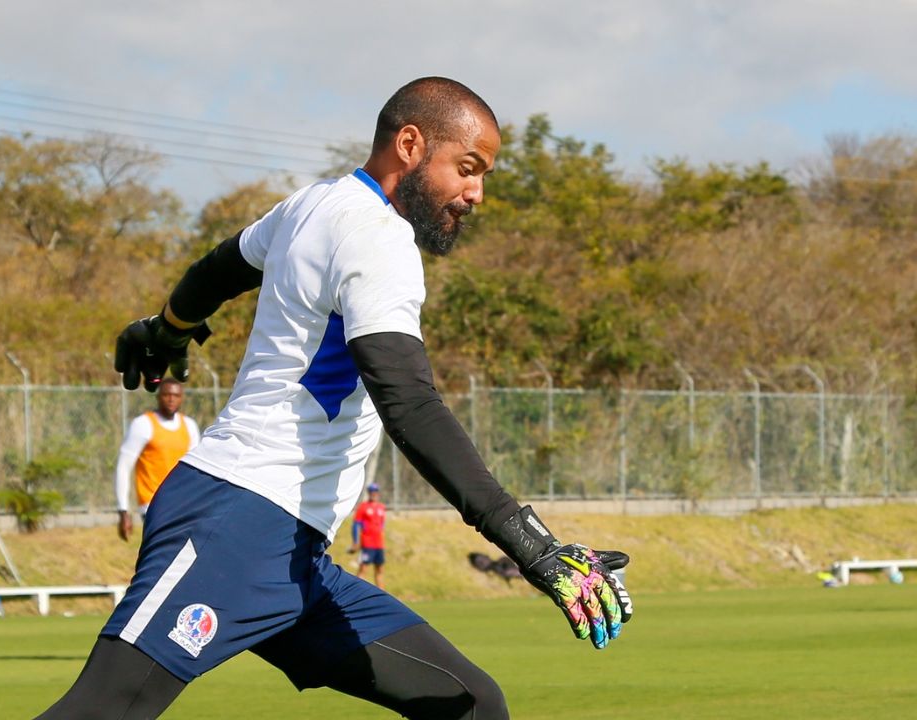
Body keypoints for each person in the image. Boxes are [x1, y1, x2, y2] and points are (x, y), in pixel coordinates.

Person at [35, 77, 633, 720]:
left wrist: (168, 328)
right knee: (102, 710)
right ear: (410, 144)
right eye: (467, 168)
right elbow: (407, 400)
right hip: (235, 522)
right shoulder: (379, 237)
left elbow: (221, 267)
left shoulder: (312, 203)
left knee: (469, 704)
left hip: (295, 555)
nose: (476, 192)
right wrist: (532, 545)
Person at [114, 379, 201, 541]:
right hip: (153, 506)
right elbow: (123, 467)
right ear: (158, 397)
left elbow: (196, 470)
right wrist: (123, 510)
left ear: (181, 398)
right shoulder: (143, 425)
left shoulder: (189, 426)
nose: (171, 399)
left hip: (183, 506)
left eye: (176, 395)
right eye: (166, 395)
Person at [348, 483, 387, 588]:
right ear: (369, 493)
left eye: (375, 491)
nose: (373, 494)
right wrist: (355, 542)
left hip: (379, 544)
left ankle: (382, 596)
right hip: (367, 543)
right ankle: (355, 593)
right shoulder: (363, 507)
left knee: (379, 569)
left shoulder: (381, 507)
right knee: (363, 569)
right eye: (371, 492)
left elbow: (382, 524)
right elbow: (356, 525)